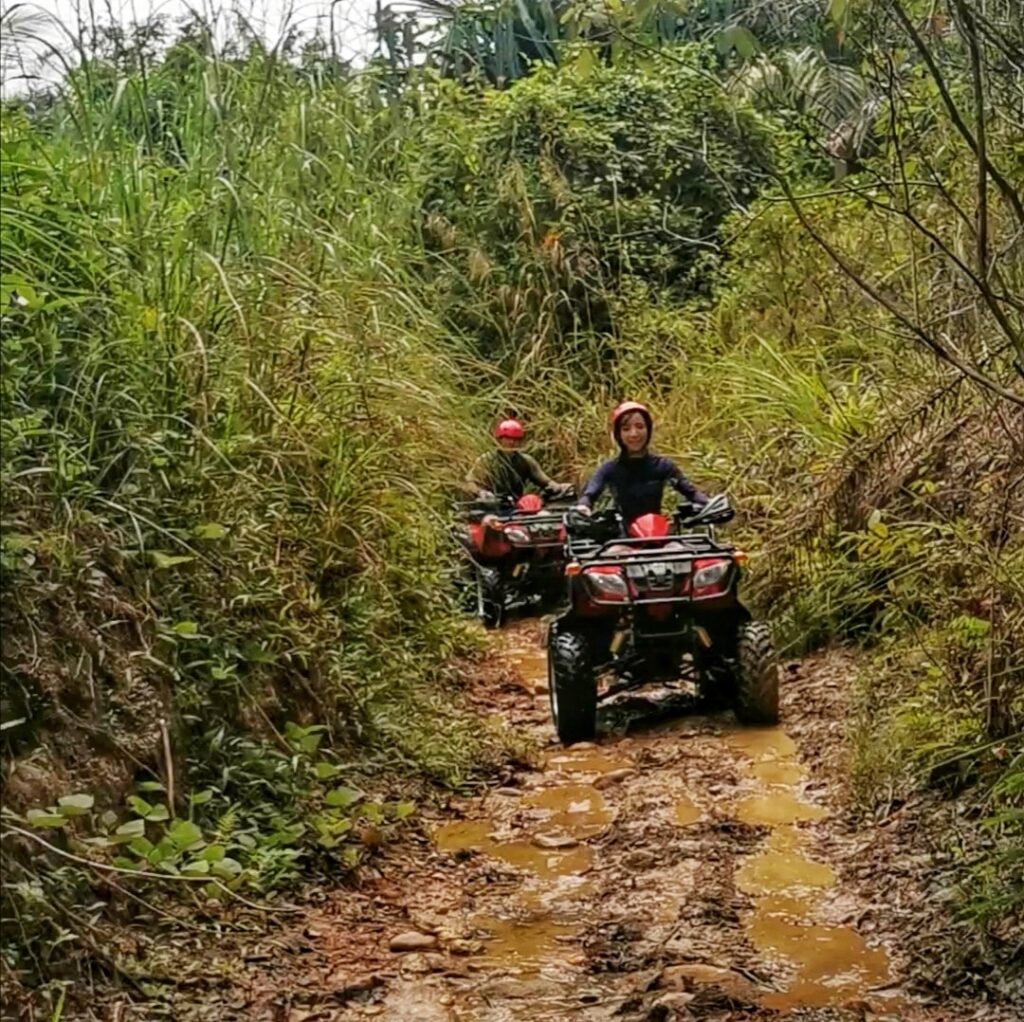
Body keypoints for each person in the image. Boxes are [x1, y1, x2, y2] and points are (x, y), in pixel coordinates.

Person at [574, 402, 708, 525]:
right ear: (618, 435)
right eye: (626, 429)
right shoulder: (610, 469)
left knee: (680, 550)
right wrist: (583, 507)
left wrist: (710, 504)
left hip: (658, 537)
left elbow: (691, 493)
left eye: (640, 427)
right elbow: (590, 494)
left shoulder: (663, 466)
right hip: (623, 540)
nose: (634, 434)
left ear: (648, 430)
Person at [467, 419, 574, 503]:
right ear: (499, 440)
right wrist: (481, 492)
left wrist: (558, 487)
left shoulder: (525, 461)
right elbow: (471, 482)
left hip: (518, 506)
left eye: (516, 439)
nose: (512, 443)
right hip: (492, 506)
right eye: (508, 439)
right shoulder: (487, 460)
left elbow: (545, 481)